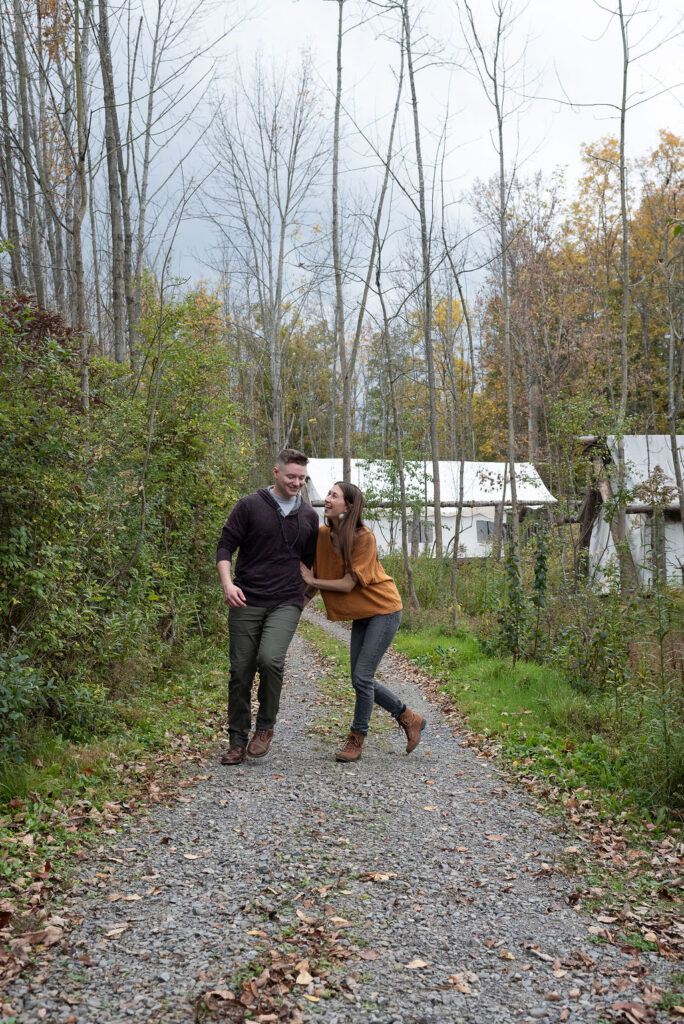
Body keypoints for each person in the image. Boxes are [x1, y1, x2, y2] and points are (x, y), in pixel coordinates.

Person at [300, 481, 426, 763]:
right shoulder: (322, 535)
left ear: (349, 506)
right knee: (360, 679)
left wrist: (310, 579)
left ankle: (356, 739)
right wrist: (296, 607)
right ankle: (408, 717)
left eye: (334, 495)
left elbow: (346, 584)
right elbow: (318, 578)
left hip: (384, 609)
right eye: (329, 494)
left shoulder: (363, 537)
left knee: (361, 677)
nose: (328, 499)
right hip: (362, 613)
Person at [216, 448, 319, 765]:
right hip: (246, 598)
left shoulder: (309, 516)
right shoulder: (249, 506)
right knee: (240, 672)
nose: (297, 483)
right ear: (275, 473)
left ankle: (265, 728)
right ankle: (236, 740)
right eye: (291, 476)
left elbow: (311, 563)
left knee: (270, 659)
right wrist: (227, 584)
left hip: (286, 601)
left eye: (302, 478)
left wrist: (304, 599)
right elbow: (225, 547)